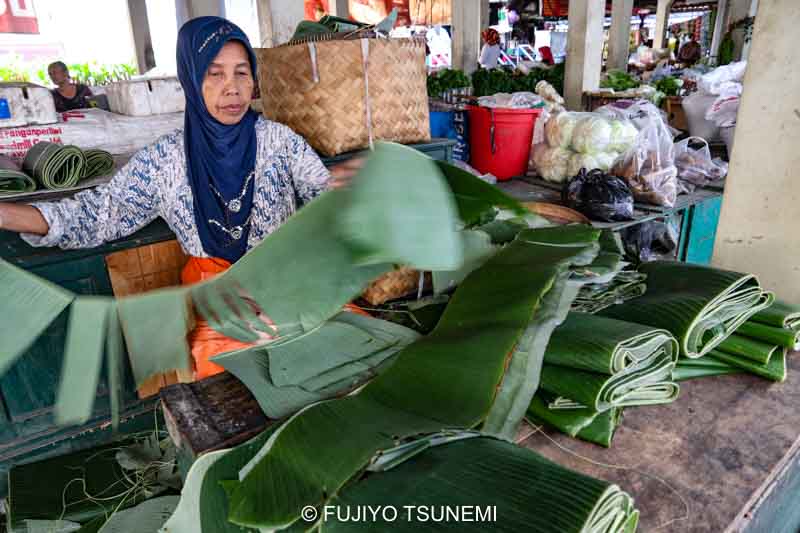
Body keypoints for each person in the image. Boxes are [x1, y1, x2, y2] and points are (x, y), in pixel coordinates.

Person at [0, 17, 359, 378]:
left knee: (352, 359)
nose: (232, 88)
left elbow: (322, 197)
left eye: (241, 72)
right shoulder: (165, 160)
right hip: (220, 303)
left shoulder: (282, 142)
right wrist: (6, 214)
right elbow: (97, 214)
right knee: (238, 383)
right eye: (214, 74)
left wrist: (345, 193)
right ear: (191, 78)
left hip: (293, 284)